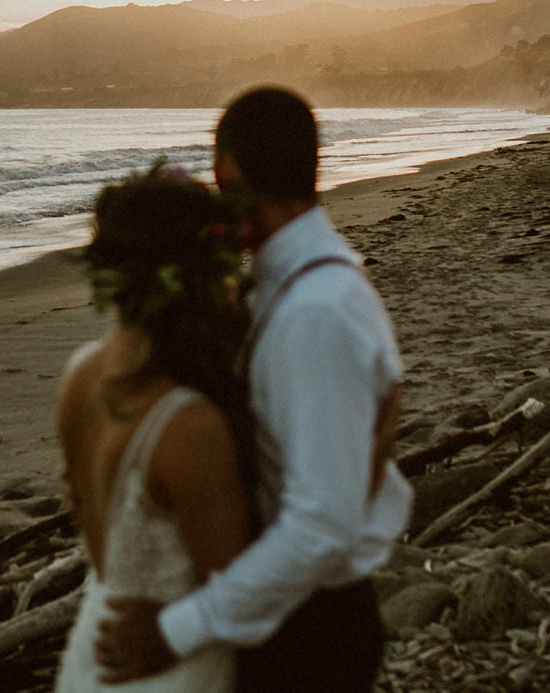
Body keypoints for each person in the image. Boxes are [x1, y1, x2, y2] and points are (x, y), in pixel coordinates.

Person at [97, 87, 410, 691]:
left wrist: (178, 629)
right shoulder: (289, 288)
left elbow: (321, 526)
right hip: (286, 611)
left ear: (228, 171)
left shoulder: (313, 313)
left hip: (307, 629)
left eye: (219, 180)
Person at [55, 164, 255, 692]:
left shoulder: (80, 377)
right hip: (168, 663)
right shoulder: (188, 425)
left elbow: (83, 507)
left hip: (94, 652)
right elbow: (238, 595)